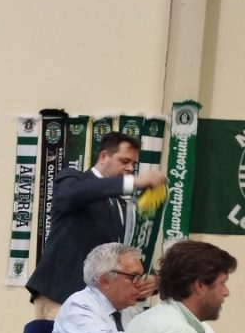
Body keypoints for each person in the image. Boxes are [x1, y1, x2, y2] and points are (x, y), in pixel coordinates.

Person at [26, 133, 165, 318]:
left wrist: (149, 278)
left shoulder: (120, 203)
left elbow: (123, 248)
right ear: (103, 157)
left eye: (133, 163)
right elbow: (71, 196)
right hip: (63, 295)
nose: (130, 168)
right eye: (124, 161)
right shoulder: (73, 179)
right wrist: (133, 182)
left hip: (101, 303)